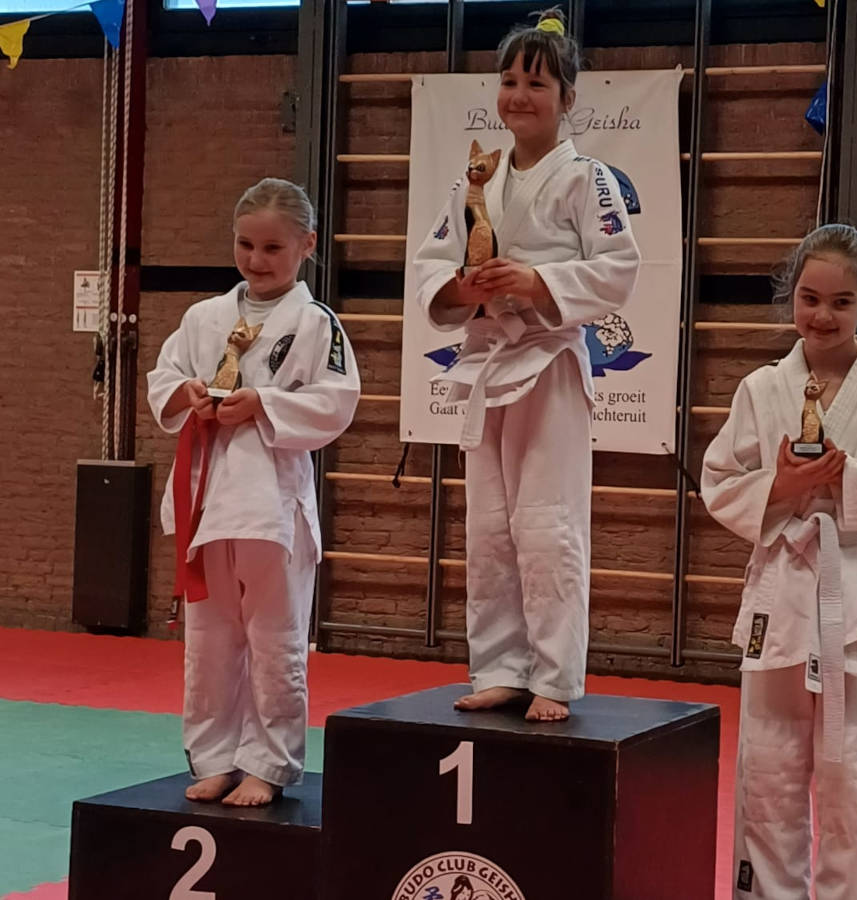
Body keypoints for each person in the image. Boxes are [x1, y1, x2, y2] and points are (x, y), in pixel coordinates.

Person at [701, 224, 857, 899]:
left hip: (850, 594)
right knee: (769, 764)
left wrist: (851, 482)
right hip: (781, 586)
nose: (822, 315)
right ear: (792, 297)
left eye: (841, 302)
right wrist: (780, 486)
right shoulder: (761, 389)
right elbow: (719, 481)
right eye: (809, 298)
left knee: (849, 771)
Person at [410, 7, 640, 722]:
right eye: (509, 81)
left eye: (537, 84)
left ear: (568, 98)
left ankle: (554, 675)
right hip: (489, 358)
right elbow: (431, 265)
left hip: (548, 362)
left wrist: (536, 282)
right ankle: (500, 666)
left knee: (547, 523)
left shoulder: (588, 179)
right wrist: (462, 288)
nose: (519, 95)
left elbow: (618, 268)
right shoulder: (474, 182)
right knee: (488, 527)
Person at [147, 178, 360, 805]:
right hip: (206, 496)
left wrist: (263, 404)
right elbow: (164, 375)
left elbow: (337, 401)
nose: (256, 259)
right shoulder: (203, 318)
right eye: (245, 245)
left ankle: (269, 760)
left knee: (275, 640)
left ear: (307, 246)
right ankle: (214, 756)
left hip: (272, 503)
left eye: (272, 248)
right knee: (209, 641)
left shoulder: (316, 324)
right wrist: (185, 394)